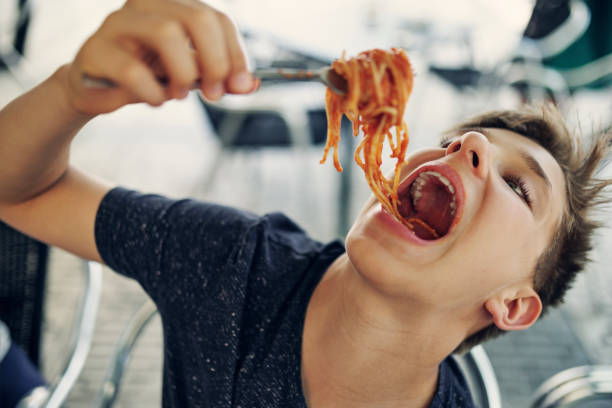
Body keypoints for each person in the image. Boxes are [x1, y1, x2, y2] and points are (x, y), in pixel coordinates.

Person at [0, 0, 610, 407]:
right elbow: (21, 192)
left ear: (512, 304)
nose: (466, 144)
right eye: (454, 141)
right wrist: (73, 92)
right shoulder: (233, 262)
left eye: (518, 186)